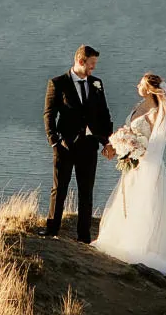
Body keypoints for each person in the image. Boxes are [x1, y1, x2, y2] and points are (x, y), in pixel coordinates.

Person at [92, 72, 166, 275]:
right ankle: (123, 238)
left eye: (140, 83)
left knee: (144, 204)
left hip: (147, 165)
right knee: (127, 203)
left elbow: (155, 144)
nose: (137, 86)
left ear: (149, 88)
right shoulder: (138, 106)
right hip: (133, 163)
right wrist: (118, 145)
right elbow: (128, 130)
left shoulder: (158, 112)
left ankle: (142, 246)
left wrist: (138, 152)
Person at [42, 45, 113, 241]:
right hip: (65, 146)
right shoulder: (58, 83)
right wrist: (54, 142)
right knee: (59, 189)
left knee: (86, 192)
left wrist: (108, 141)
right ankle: (52, 229)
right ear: (81, 61)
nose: (93, 69)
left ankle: (84, 236)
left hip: (89, 146)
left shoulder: (97, 84)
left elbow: (104, 113)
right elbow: (49, 115)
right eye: (91, 64)